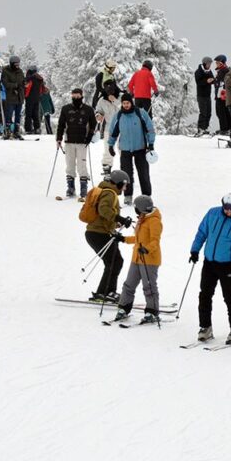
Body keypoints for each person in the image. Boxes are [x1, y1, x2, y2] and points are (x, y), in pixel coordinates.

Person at [190, 192, 231, 345]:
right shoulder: (212, 213)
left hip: (228, 265)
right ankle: (205, 327)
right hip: (209, 263)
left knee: (230, 298)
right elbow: (202, 233)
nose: (229, 212)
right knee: (204, 295)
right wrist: (195, 250)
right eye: (227, 208)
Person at [83, 170, 133, 303]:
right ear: (118, 183)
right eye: (124, 184)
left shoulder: (107, 191)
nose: (125, 187)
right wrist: (120, 219)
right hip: (98, 234)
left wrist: (116, 224)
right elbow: (103, 210)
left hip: (97, 233)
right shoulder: (109, 193)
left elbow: (103, 215)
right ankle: (105, 292)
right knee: (115, 261)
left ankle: (105, 292)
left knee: (114, 262)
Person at [113, 195, 163, 325]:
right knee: (129, 284)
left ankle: (152, 311)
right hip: (136, 258)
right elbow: (138, 239)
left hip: (149, 259)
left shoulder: (154, 221)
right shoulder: (142, 219)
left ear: (141, 208)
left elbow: (155, 242)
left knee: (149, 286)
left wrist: (146, 249)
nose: (135, 209)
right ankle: (124, 308)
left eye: (136, 207)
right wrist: (123, 239)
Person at [108, 93, 156, 205]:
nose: (125, 105)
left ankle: (146, 196)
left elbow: (150, 129)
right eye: (124, 103)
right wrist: (111, 145)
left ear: (131, 102)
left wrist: (151, 144)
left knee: (143, 173)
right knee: (126, 174)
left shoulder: (140, 113)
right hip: (125, 149)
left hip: (140, 148)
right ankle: (128, 196)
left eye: (127, 103)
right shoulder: (118, 116)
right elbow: (113, 132)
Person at [57, 88, 97, 200]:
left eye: (77, 96)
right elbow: (61, 125)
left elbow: (93, 124)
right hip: (69, 141)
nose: (75, 98)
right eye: (73, 96)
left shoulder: (88, 109)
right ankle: (70, 187)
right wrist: (58, 139)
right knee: (69, 164)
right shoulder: (66, 109)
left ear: (81, 96)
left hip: (82, 142)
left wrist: (89, 137)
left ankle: (84, 188)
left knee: (81, 165)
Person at [94, 82, 120, 174]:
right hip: (109, 128)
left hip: (122, 128)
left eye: (112, 90)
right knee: (108, 149)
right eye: (108, 91)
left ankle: (126, 170)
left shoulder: (121, 97)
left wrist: (115, 101)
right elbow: (98, 110)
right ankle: (106, 169)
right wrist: (98, 115)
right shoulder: (101, 100)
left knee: (123, 150)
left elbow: (126, 108)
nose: (110, 93)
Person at [1, 55, 25, 139]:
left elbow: (22, 81)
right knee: (9, 114)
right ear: (11, 64)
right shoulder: (6, 71)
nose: (17, 66)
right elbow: (5, 83)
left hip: (19, 96)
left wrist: (23, 85)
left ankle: (16, 131)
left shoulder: (20, 71)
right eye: (16, 64)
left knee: (18, 115)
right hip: (11, 96)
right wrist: (15, 85)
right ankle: (8, 131)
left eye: (18, 64)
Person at [194, 56, 215, 135]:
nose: (210, 65)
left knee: (209, 112)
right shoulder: (198, 71)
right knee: (203, 112)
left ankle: (205, 128)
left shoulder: (209, 71)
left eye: (210, 64)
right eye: (209, 63)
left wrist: (212, 80)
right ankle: (200, 129)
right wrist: (207, 81)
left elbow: (212, 79)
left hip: (208, 95)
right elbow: (199, 82)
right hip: (201, 95)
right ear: (204, 63)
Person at [23, 66, 46, 135]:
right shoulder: (39, 79)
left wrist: (24, 95)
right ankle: (37, 128)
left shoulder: (29, 79)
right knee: (35, 114)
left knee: (28, 114)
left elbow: (26, 88)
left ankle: (28, 129)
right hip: (37, 98)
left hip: (30, 98)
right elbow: (42, 90)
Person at [213, 54, 230, 135]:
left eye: (217, 62)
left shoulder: (225, 71)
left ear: (222, 63)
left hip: (222, 95)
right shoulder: (220, 71)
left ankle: (225, 129)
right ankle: (225, 128)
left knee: (221, 112)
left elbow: (222, 82)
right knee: (221, 112)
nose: (216, 64)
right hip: (220, 95)